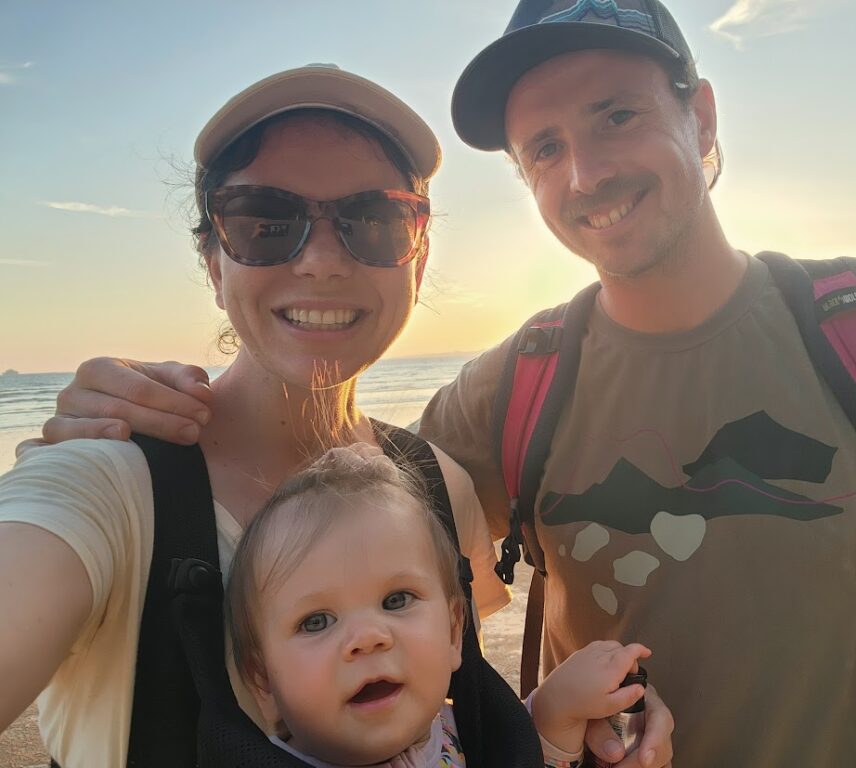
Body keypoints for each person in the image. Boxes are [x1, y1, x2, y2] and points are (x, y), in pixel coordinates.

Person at [23, 1, 856, 766]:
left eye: (617, 115)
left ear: (700, 114)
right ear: (213, 256)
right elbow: (358, 538)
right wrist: (105, 428)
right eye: (543, 147)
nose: (584, 172)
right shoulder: (501, 397)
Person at [0, 64, 517, 767]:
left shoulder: (438, 487)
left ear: (417, 260)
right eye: (267, 223)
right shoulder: (107, 484)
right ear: (215, 266)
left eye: (375, 220)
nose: (323, 261)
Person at [225, 443, 653, 768]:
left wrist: (552, 716)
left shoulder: (465, 731)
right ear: (262, 679)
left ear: (454, 632)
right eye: (316, 621)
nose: (368, 638)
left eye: (396, 600)